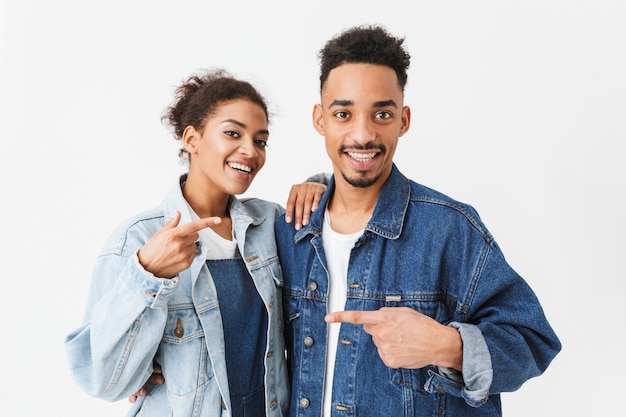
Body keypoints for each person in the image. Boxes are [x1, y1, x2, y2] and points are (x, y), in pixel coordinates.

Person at [274, 25, 562, 416]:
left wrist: (447, 345)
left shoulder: (450, 229)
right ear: (320, 119)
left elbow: (533, 341)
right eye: (344, 113)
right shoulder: (289, 231)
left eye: (382, 113)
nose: (363, 134)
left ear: (403, 120)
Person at [64, 69, 325, 417]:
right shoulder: (138, 239)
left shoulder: (271, 224)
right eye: (233, 133)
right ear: (192, 139)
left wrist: (318, 185)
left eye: (260, 140)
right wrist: (147, 275)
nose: (250, 150)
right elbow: (101, 380)